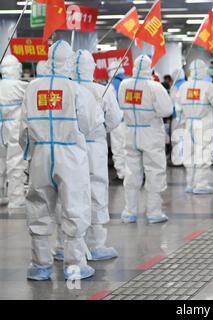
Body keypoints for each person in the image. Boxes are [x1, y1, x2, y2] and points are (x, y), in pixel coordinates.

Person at [19, 40, 103, 280]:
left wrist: (30, 153)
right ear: (69, 63)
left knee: (39, 206)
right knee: (74, 207)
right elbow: (87, 126)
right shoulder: (76, 90)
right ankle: (75, 264)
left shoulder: (32, 88)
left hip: (41, 156)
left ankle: (40, 265)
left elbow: (23, 131)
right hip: (70, 156)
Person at [67, 49, 123, 259]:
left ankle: (68, 245)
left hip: (70, 147)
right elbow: (115, 120)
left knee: (71, 192)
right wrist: (101, 131)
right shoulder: (103, 90)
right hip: (95, 147)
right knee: (97, 190)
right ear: (92, 67)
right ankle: (96, 243)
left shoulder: (67, 89)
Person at [119, 55, 173, 224]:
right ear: (149, 68)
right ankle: (154, 212)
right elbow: (167, 110)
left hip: (130, 132)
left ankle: (130, 212)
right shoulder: (154, 87)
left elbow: (121, 105)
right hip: (150, 133)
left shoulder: (124, 85)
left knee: (131, 173)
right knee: (154, 172)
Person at [177, 59, 213, 194]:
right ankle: (201, 184)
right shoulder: (208, 86)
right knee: (204, 152)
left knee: (190, 153)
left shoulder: (183, 86)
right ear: (203, 70)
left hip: (188, 123)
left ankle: (190, 183)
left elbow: (178, 106)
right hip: (204, 123)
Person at [0, 55, 28, 210]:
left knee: (0, 163)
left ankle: (1, 195)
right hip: (15, 127)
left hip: (1, 127)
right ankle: (16, 199)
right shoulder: (20, 86)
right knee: (15, 163)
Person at [107, 60, 128, 181]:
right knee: (129, 149)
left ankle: (122, 174)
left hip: (117, 123)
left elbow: (108, 104)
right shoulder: (129, 81)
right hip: (130, 122)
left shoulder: (112, 84)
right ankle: (132, 174)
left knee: (118, 149)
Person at [170, 68, 187, 166]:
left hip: (177, 117)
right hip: (187, 116)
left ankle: (177, 160)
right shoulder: (188, 84)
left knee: (177, 138)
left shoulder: (175, 87)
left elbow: (171, 102)